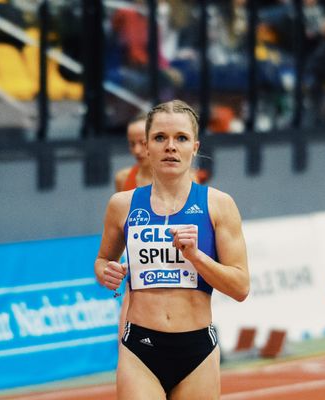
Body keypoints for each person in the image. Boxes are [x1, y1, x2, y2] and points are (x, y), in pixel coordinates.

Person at [95, 99, 250, 399]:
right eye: (160, 138)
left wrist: (195, 256)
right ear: (147, 146)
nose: (170, 147)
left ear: (195, 147)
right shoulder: (121, 205)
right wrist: (107, 272)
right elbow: (103, 260)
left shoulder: (219, 205)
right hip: (140, 348)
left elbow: (241, 287)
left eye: (181, 138)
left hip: (197, 352)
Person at [115, 116, 153, 192]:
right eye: (132, 144)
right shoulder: (123, 178)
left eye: (143, 143)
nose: (137, 151)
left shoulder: (174, 179)